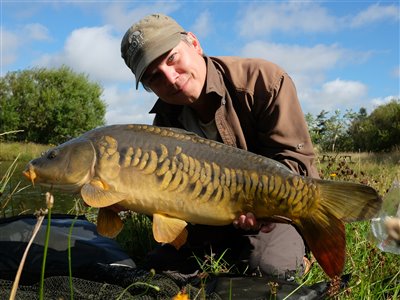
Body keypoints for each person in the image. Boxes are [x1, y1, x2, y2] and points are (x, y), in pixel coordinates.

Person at [121, 13, 319, 279]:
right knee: (159, 269)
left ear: (194, 43)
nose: (170, 77)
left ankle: (301, 253)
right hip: (208, 217)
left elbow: (296, 164)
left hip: (274, 212)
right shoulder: (165, 122)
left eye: (172, 58)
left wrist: (257, 202)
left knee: (270, 269)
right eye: (155, 77)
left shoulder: (264, 80)